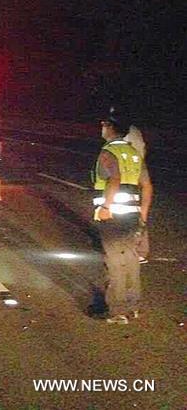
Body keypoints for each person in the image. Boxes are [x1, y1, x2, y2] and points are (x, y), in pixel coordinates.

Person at [94, 110, 153, 324]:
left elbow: (114, 179)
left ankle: (117, 311)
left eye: (103, 124)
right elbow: (147, 186)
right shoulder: (134, 153)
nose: (102, 127)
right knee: (130, 258)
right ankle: (133, 305)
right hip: (132, 212)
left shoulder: (108, 152)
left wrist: (106, 206)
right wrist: (143, 213)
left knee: (114, 260)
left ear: (110, 128)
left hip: (113, 213)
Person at [123, 123, 149, 263]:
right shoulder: (135, 130)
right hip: (135, 167)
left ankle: (135, 248)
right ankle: (139, 249)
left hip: (130, 170)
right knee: (136, 209)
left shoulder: (125, 130)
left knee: (129, 209)